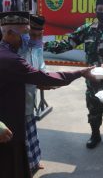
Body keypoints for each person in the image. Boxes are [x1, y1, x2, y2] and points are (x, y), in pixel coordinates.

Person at [0, 11, 94, 178]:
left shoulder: (10, 52)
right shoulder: (9, 58)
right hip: (8, 114)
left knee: (22, 144)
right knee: (10, 158)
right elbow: (41, 76)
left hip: (18, 105)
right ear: (8, 33)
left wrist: (42, 82)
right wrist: (80, 72)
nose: (29, 38)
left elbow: (38, 73)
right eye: (25, 34)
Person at [44, 0, 103, 152]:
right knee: (93, 109)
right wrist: (41, 44)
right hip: (92, 80)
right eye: (100, 10)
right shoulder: (87, 29)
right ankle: (95, 135)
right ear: (95, 10)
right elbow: (65, 44)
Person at [18, 14, 46, 173]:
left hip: (31, 92)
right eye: (32, 34)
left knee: (31, 129)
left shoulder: (37, 45)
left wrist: (44, 77)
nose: (35, 38)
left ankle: (35, 161)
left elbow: (41, 63)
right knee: (21, 132)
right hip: (17, 94)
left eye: (39, 34)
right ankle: (25, 165)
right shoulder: (16, 46)